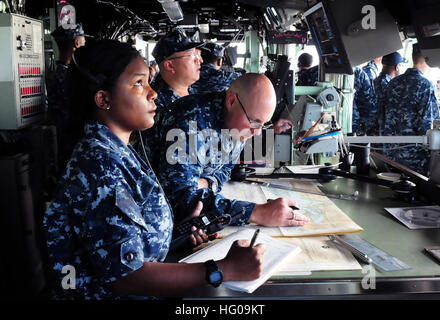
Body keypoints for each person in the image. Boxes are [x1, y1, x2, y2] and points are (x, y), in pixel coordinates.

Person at [43, 40, 267, 300]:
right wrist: (223, 270)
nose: (153, 93)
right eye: (139, 83)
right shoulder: (102, 167)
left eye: (148, 82)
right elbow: (128, 277)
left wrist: (172, 231)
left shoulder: (119, 150)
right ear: (103, 98)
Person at [156, 73, 311, 227]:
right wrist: (256, 212)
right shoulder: (189, 120)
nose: (257, 132)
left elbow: (225, 170)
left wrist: (207, 183)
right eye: (255, 122)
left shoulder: (238, 121)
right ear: (231, 101)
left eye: (263, 124)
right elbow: (181, 199)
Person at [140, 29, 204, 173]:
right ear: (170, 66)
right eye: (191, 55)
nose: (199, 60)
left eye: (197, 54)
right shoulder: (155, 105)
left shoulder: (194, 94)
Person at [382, 44, 440, 174]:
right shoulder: (424, 85)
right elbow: (427, 127)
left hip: (390, 153)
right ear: (428, 59)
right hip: (413, 158)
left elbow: (382, 117)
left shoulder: (393, 82)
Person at [47, 23, 88, 174]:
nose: (84, 44)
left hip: (63, 145)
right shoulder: (68, 78)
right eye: (83, 41)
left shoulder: (58, 74)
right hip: (70, 148)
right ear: (77, 43)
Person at [373, 52, 404, 135]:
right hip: (382, 130)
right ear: (397, 67)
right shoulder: (384, 83)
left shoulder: (379, 80)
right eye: (401, 65)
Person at [352, 66, 377, 135]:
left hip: (353, 124)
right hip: (353, 126)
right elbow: (368, 103)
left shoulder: (320, 70)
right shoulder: (358, 73)